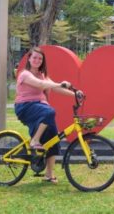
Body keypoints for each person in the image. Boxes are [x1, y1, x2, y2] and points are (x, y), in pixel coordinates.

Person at [15, 47, 83, 184]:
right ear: (29, 58)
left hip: (40, 106)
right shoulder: (25, 74)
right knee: (49, 112)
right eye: (34, 57)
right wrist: (60, 83)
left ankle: (48, 174)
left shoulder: (42, 75)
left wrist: (75, 95)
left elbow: (53, 87)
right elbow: (41, 85)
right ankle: (35, 140)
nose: (37, 60)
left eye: (40, 58)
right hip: (26, 107)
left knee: (53, 139)